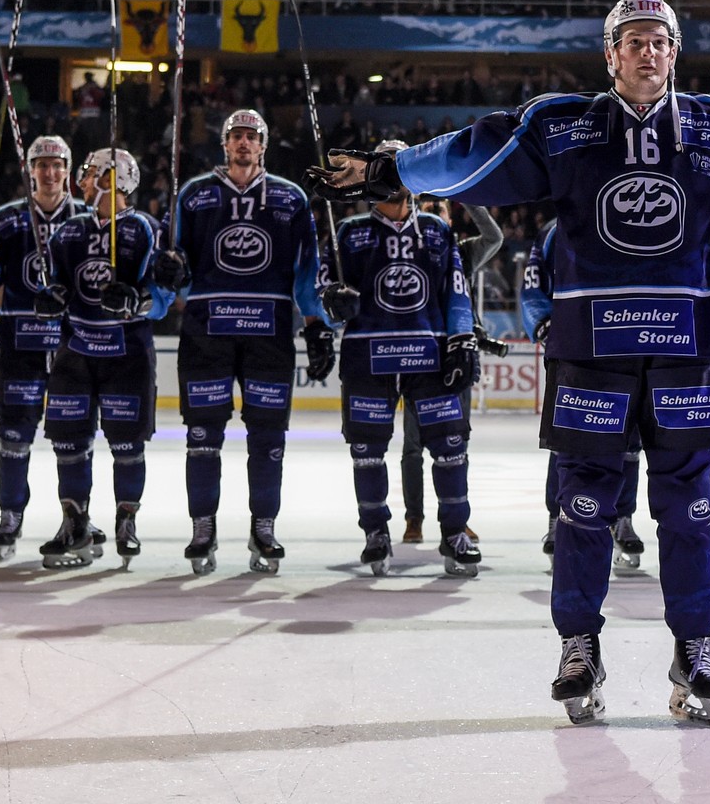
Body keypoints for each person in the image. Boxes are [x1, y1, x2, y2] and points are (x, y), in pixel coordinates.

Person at [306, 0, 710, 726]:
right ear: (610, 54)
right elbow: (478, 153)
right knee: (585, 505)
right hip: (591, 351)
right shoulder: (563, 126)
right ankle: (579, 640)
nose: (648, 52)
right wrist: (396, 171)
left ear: (676, 53)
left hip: (685, 349)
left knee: (688, 505)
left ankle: (695, 642)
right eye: (634, 41)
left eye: (660, 41)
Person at [157, 109, 328, 575]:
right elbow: (173, 264)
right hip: (205, 333)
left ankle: (264, 526)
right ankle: (203, 527)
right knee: (202, 436)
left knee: (268, 438)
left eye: (253, 136)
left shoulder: (291, 199)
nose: (244, 143)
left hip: (268, 333)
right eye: (236, 136)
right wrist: (166, 274)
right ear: (225, 143)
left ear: (264, 144)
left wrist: (316, 322)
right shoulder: (194, 195)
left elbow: (307, 271)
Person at [319, 140, 482, 577]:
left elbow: (456, 291)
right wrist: (331, 305)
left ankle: (454, 532)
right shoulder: (347, 235)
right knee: (367, 451)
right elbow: (322, 296)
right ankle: (375, 532)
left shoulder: (436, 229)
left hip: (428, 356)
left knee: (450, 447)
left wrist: (462, 340)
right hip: (367, 358)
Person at [32, 148, 170, 569]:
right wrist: (50, 297)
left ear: (115, 177)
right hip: (75, 354)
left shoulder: (146, 229)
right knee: (68, 443)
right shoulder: (69, 231)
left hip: (126, 357)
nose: (83, 178)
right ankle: (74, 521)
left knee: (127, 444)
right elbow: (53, 281)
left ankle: (126, 520)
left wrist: (137, 300)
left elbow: (164, 296)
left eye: (92, 172)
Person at [0, 135, 90, 560]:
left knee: (72, 438)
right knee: (15, 435)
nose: (50, 172)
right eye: (42, 164)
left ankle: (75, 518)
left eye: (57, 164)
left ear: (68, 170)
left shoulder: (87, 217)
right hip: (20, 341)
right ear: (30, 170)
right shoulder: (5, 218)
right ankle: (10, 513)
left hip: (74, 343)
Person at [520, 218, 646, 571]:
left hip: (628, 345)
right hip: (574, 350)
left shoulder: (630, 215)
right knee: (568, 437)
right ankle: (557, 519)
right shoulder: (554, 229)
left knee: (630, 442)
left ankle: (623, 517)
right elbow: (532, 285)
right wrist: (545, 324)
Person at [398, 198, 502, 545]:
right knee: (413, 447)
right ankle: (414, 518)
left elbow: (494, 236)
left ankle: (456, 517)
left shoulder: (461, 252)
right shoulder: (405, 247)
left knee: (458, 444)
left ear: (449, 214)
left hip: (458, 358)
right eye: (423, 206)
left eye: (438, 206)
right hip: (418, 358)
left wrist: (470, 196)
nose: (431, 211)